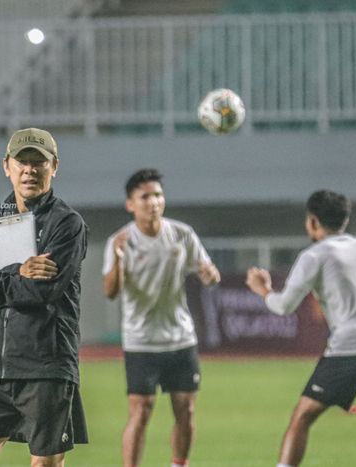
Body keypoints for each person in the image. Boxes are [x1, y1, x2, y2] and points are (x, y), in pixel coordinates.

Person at [245, 189, 356, 467]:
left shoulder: (315, 256)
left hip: (349, 347)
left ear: (312, 221)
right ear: (345, 220)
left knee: (303, 416)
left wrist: (264, 291)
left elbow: (284, 306)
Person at [0, 128, 88, 467]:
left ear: (54, 166)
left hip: (46, 364)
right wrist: (18, 273)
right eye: (23, 162)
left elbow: (44, 290)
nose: (30, 170)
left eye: (38, 162)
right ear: (7, 166)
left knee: (44, 464)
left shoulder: (67, 224)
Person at [102, 168, 221, 467]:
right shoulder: (120, 241)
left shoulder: (181, 233)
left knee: (186, 411)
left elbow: (209, 272)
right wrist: (117, 262)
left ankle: (179, 464)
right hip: (141, 341)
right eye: (145, 197)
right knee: (141, 412)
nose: (153, 201)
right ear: (130, 204)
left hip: (180, 337)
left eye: (157, 195)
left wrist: (210, 274)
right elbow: (110, 291)